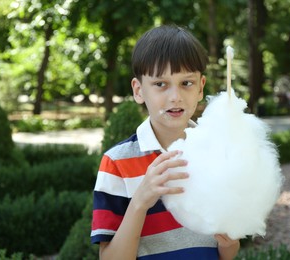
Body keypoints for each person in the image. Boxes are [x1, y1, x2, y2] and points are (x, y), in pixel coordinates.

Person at [91, 25, 240, 259]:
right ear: (138, 90)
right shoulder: (117, 163)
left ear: (201, 88)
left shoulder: (218, 151)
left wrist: (229, 244)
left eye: (186, 83)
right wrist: (140, 201)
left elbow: (226, 252)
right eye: (161, 84)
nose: (175, 96)